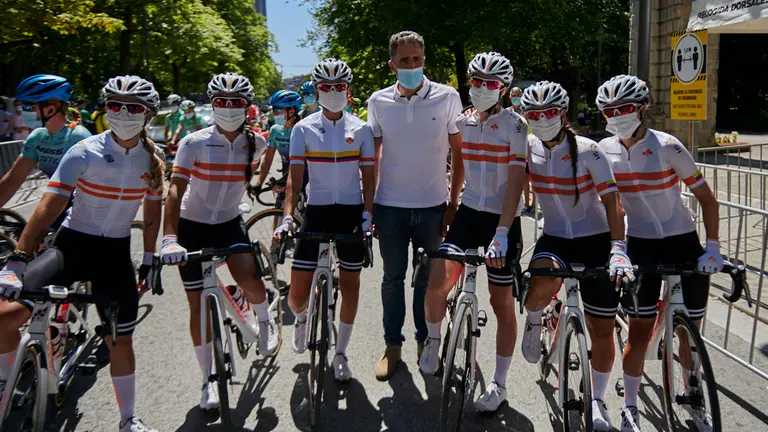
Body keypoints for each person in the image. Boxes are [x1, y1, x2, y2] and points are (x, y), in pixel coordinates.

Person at [0, 75, 164, 432]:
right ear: (105, 110)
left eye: (133, 107)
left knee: (120, 340)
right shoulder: (83, 150)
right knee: (4, 315)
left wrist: (150, 259)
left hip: (115, 256)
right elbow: (48, 206)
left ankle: (127, 419)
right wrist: (17, 259)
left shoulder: (153, 161)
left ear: (148, 115)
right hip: (71, 245)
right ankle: (4, 381)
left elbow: (152, 213)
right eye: (115, 106)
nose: (123, 113)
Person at [596, 74, 721, 432]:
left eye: (625, 108)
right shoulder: (605, 151)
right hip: (641, 245)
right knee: (639, 333)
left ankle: (691, 392)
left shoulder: (667, 146)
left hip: (683, 242)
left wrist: (712, 247)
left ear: (643, 108)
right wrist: (616, 248)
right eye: (610, 110)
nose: (617, 115)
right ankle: (630, 407)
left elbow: (708, 200)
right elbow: (609, 204)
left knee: (687, 334)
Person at [518, 80, 633, 431]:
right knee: (538, 285)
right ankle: (536, 319)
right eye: (534, 114)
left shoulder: (588, 150)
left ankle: (598, 401)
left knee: (601, 327)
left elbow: (612, 200)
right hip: (555, 237)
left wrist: (618, 248)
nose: (542, 119)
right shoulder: (527, 147)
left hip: (595, 239)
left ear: (563, 113)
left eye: (550, 112)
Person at [420, 52, 527, 411]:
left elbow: (515, 183)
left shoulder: (516, 126)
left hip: (501, 219)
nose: (482, 89)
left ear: (504, 89)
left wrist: (503, 230)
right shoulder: (463, 122)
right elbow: (459, 167)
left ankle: (498, 383)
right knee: (437, 283)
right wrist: (451, 205)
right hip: (468, 214)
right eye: (477, 82)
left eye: (491, 84)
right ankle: (434, 340)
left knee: (501, 304)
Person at [160, 72, 273, 412]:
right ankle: (208, 379)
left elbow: (266, 157)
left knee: (250, 278)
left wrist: (254, 187)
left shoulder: (257, 143)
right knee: (197, 306)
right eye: (221, 102)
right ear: (212, 105)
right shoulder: (193, 142)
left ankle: (264, 322)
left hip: (228, 223)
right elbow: (176, 188)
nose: (227, 108)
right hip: (192, 226)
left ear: (246, 107)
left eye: (235, 102)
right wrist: (168, 238)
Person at [367, 30, 464, 381]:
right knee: (392, 279)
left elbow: (459, 152)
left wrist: (453, 202)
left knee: (427, 281)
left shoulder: (447, 97)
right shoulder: (377, 101)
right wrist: (371, 206)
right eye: (405, 61)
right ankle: (393, 346)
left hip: (432, 207)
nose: (412, 66)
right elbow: (372, 158)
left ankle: (427, 342)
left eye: (417, 60)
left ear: (424, 60)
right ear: (393, 64)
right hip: (390, 207)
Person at [273, 58, 375, 381]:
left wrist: (368, 214)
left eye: (339, 87)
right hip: (316, 212)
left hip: (350, 212)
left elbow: (369, 177)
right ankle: (303, 319)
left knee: (350, 284)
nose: (332, 92)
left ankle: (341, 353)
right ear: (317, 91)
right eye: (326, 88)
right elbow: (294, 178)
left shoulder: (362, 130)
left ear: (348, 91)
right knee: (296, 297)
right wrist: (288, 216)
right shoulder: (303, 129)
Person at [0, 75, 91, 211]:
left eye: (28, 106)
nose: (22, 110)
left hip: (84, 209)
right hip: (55, 204)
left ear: (50, 110)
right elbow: (14, 178)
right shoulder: (37, 137)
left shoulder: (78, 137)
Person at [258, 90, 303, 217]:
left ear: (292, 111)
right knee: (278, 212)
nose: (273, 113)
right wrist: (258, 183)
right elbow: (267, 160)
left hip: (303, 177)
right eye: (273, 109)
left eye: (277, 110)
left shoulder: (302, 129)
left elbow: (300, 159)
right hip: (285, 176)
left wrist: (285, 179)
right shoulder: (275, 130)